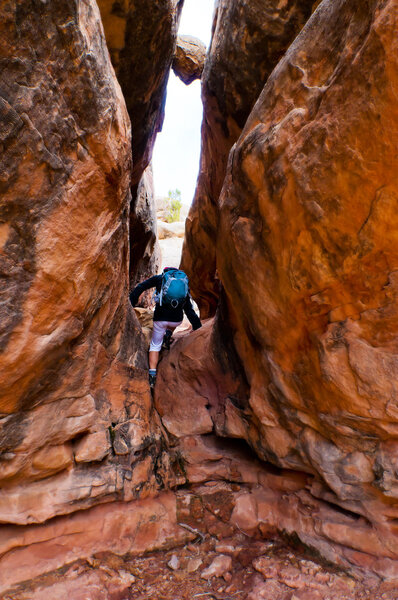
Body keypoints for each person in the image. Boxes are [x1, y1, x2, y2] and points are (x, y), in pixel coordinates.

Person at [129, 267, 202, 388]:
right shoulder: (183, 283)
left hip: (160, 319)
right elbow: (188, 308)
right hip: (176, 320)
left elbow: (141, 287)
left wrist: (131, 302)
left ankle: (152, 377)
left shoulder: (160, 279)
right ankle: (168, 335)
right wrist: (197, 327)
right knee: (171, 324)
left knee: (155, 345)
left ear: (165, 273)